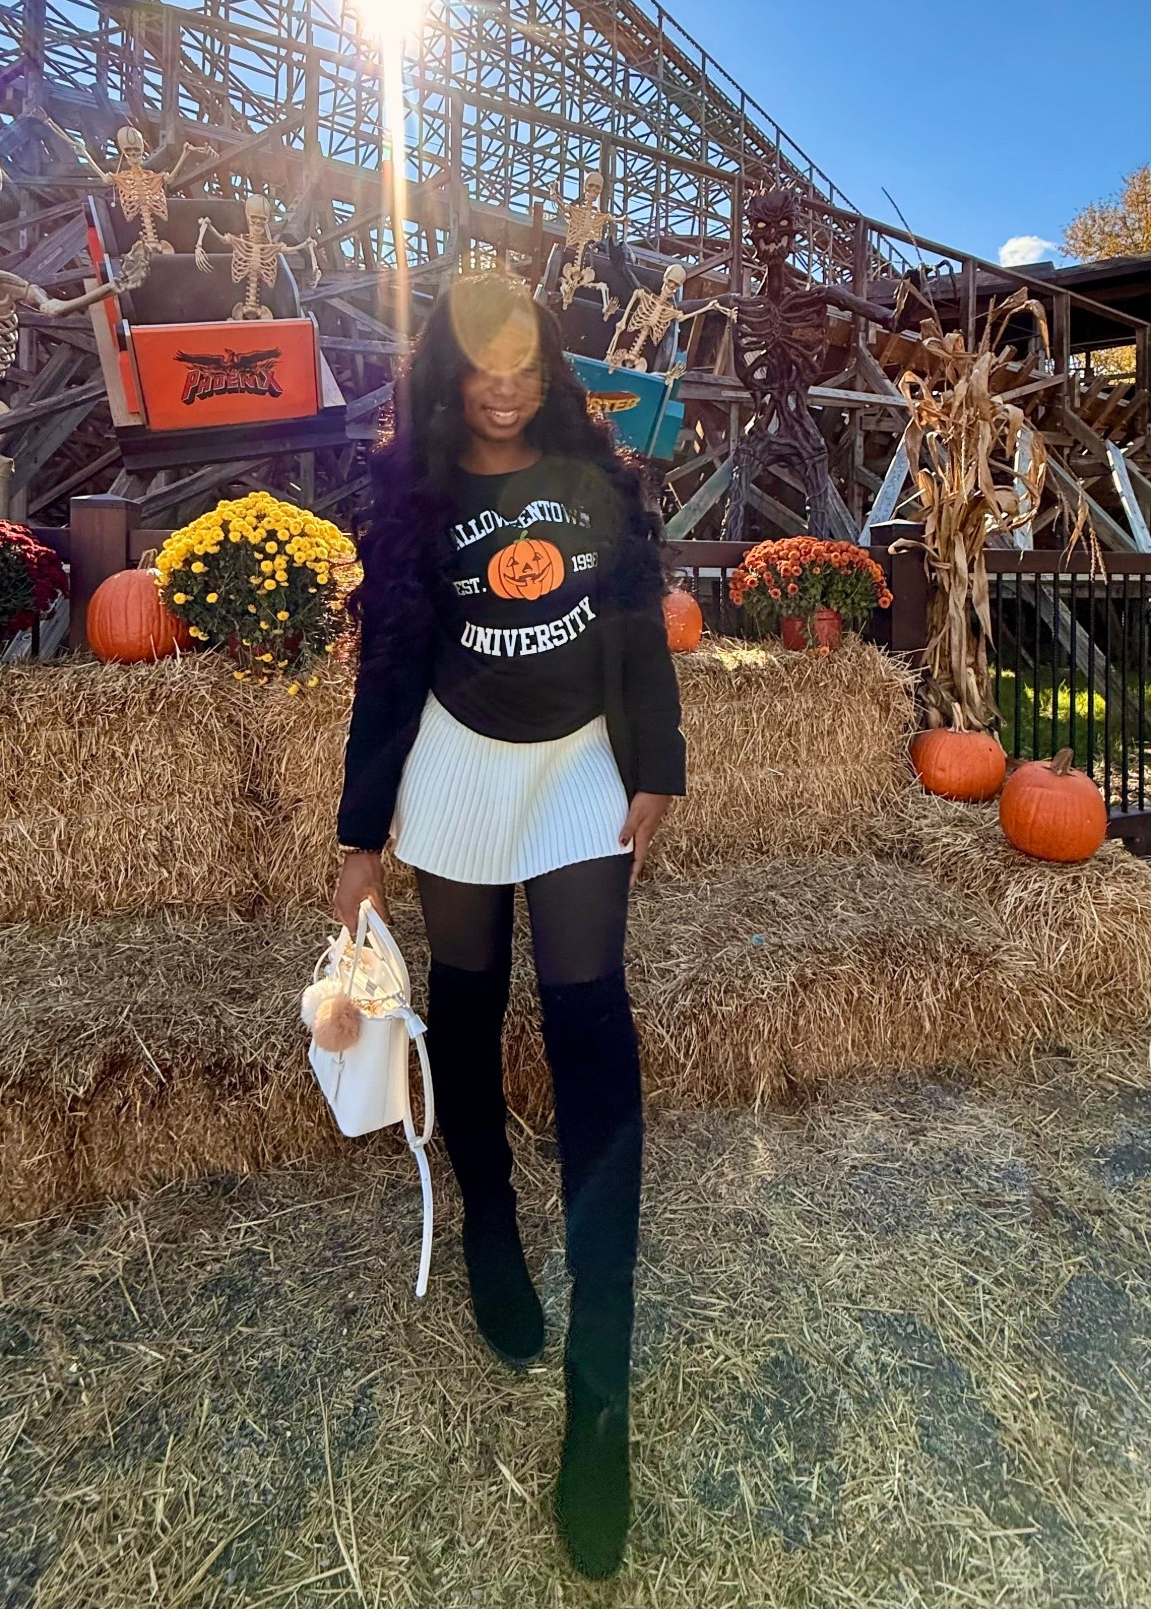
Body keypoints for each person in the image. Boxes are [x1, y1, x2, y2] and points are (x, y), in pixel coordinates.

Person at [333, 273, 686, 1579]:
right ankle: (488, 1216)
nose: (502, 381)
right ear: (447, 370)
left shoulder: (598, 484)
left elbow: (641, 628)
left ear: (546, 363)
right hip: (458, 762)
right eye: (478, 361)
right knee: (469, 999)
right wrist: (358, 840)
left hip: (579, 761)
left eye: (523, 358)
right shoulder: (415, 495)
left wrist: (659, 762)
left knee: (594, 1027)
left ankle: (603, 1403)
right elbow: (390, 664)